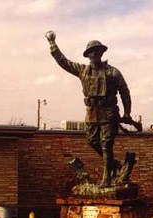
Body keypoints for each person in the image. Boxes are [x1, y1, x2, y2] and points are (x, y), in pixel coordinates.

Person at [45, 31, 133, 187]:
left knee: (106, 144)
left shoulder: (112, 72)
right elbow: (64, 62)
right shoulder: (82, 71)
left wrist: (127, 112)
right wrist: (52, 44)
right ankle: (113, 164)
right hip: (92, 112)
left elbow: (124, 91)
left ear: (101, 52)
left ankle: (106, 178)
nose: (94, 53)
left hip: (109, 112)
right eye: (91, 51)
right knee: (92, 141)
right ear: (88, 55)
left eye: (97, 50)